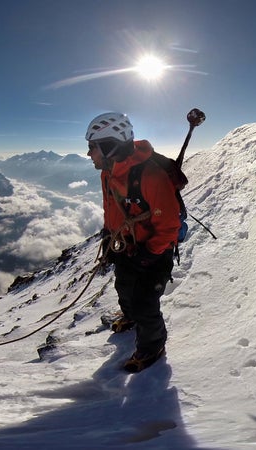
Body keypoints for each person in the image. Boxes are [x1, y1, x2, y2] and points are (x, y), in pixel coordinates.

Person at [86, 112, 180, 373]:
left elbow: (169, 226)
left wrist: (149, 254)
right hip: (126, 245)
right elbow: (111, 207)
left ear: (108, 146)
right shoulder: (108, 173)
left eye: (92, 147)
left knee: (145, 302)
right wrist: (109, 234)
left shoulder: (151, 177)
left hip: (153, 251)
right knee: (124, 287)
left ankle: (153, 346)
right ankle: (129, 317)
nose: (89, 154)